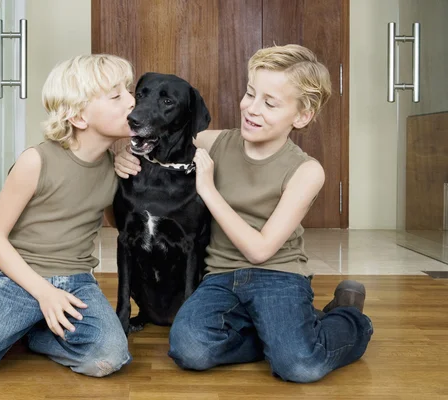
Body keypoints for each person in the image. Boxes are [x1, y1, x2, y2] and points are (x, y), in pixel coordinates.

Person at [114, 44, 373, 383]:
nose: (252, 109)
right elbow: (157, 136)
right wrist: (123, 155)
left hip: (278, 275)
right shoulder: (214, 142)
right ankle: (278, 334)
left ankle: (349, 316)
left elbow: (260, 250)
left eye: (270, 102)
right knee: (188, 349)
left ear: (302, 115)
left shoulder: (307, 171)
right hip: (220, 276)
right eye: (250, 94)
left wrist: (208, 190)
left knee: (299, 367)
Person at [0, 54, 136, 380]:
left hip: (76, 281)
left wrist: (132, 177)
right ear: (78, 117)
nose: (132, 101)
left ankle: (28, 331)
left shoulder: (111, 166)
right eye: (117, 96)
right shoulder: (36, 161)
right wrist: (43, 292)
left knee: (108, 357)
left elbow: (113, 222)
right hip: (18, 279)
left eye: (129, 90)